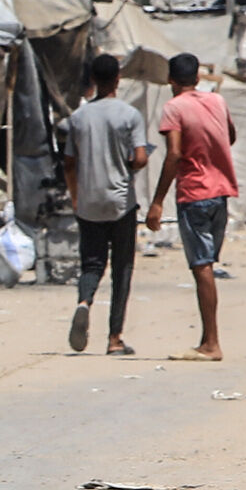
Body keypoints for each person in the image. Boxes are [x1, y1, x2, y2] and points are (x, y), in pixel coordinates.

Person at [144, 51, 238, 360]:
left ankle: (212, 342)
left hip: (194, 194)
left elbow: (173, 153)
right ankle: (207, 339)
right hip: (221, 193)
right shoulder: (217, 102)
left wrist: (157, 202)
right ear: (197, 78)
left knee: (202, 268)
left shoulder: (173, 108)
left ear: (170, 80)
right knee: (208, 265)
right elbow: (231, 136)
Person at [60, 52, 151, 357]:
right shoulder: (129, 115)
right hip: (120, 202)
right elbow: (139, 157)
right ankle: (114, 338)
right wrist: (130, 163)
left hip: (88, 202)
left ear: (93, 81)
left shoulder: (77, 118)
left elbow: (69, 163)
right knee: (122, 268)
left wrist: (75, 196)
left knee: (91, 263)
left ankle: (84, 302)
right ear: (117, 79)